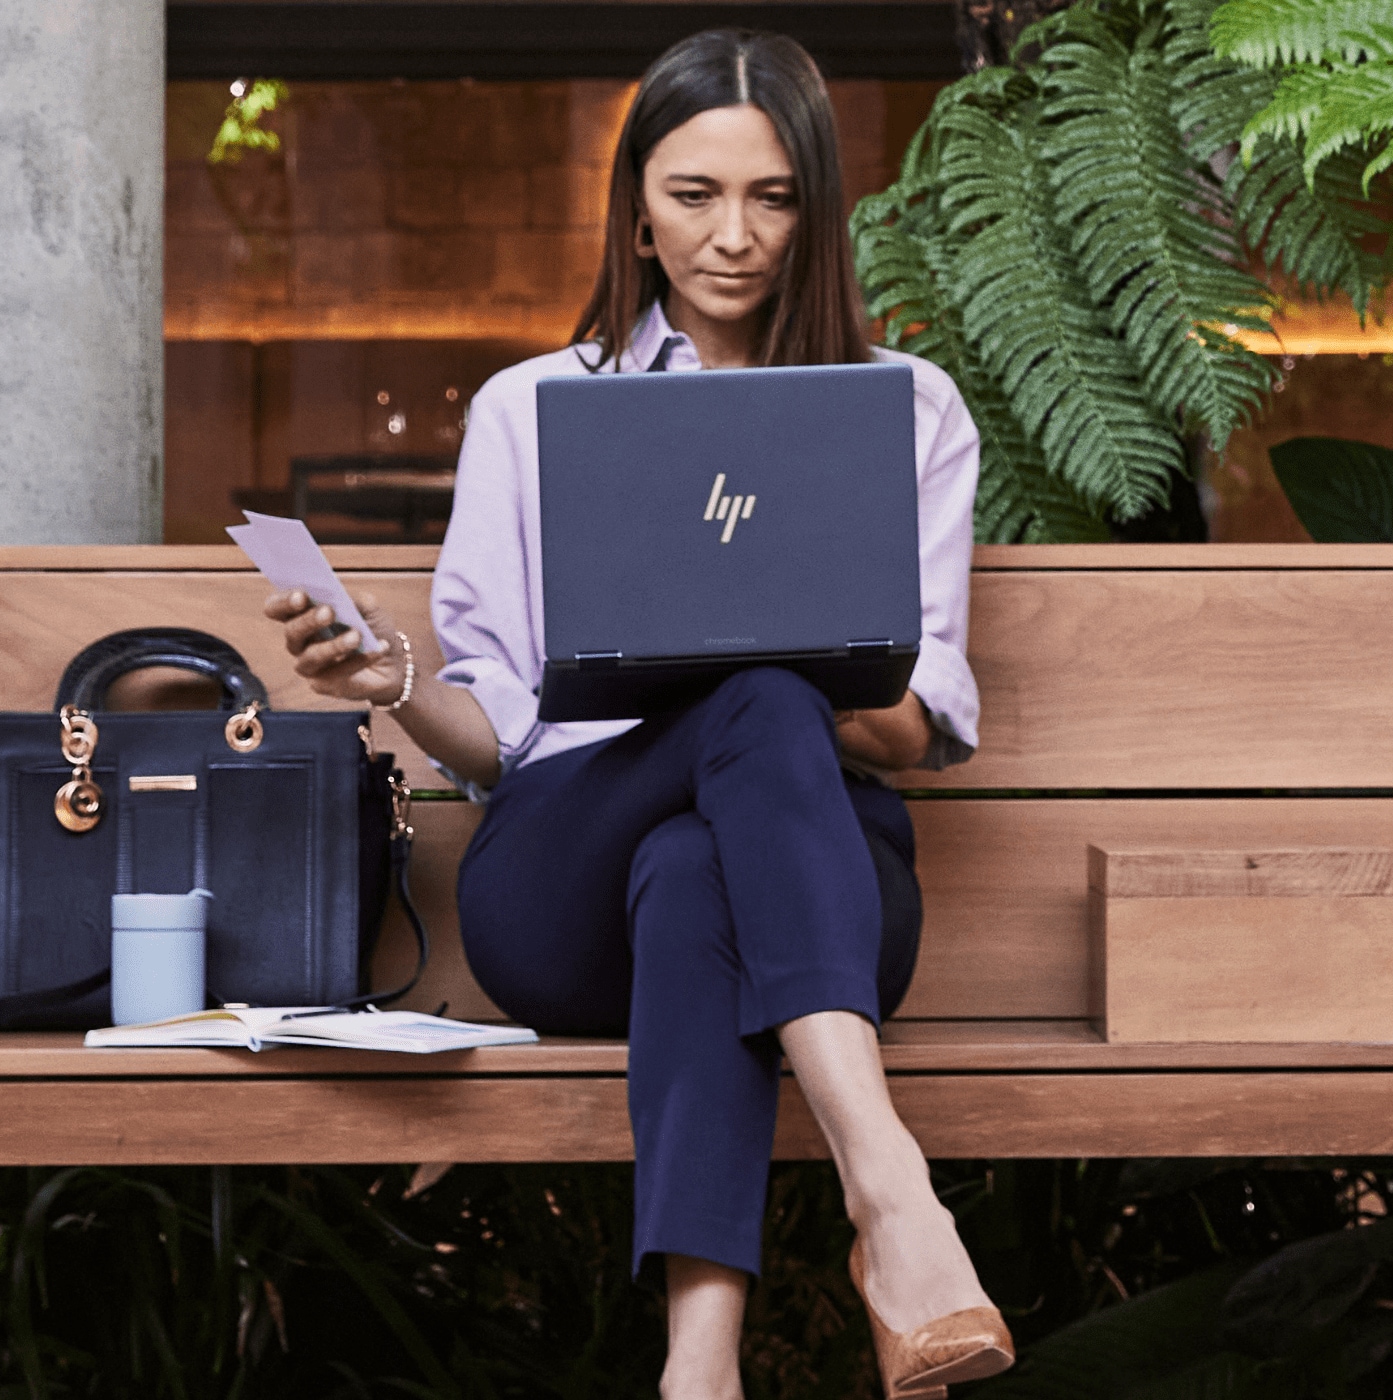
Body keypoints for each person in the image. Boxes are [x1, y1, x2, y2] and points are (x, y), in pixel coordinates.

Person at [266, 29, 1009, 1400]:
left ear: (817, 209)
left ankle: (698, 1366)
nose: (734, 236)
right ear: (636, 208)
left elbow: (923, 730)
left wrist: (787, 662)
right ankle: (893, 1193)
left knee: (715, 822)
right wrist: (400, 688)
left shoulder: (909, 415)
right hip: (563, 887)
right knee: (737, 713)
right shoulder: (532, 408)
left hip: (820, 887)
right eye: (694, 194)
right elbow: (500, 734)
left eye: (773, 197)